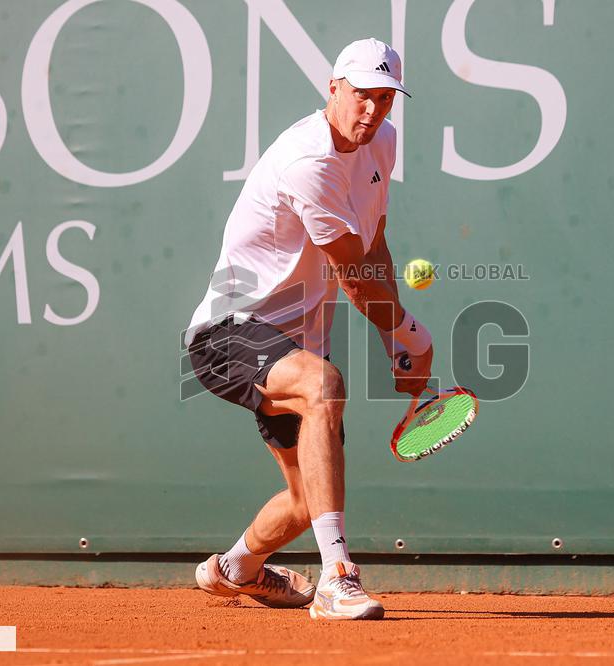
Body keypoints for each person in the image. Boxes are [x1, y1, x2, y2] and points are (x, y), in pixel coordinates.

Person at [184, 38, 433, 621]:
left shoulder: (382, 145)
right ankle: (336, 578)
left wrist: (396, 336)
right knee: (324, 387)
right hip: (228, 329)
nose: (372, 111)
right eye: (362, 96)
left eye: (386, 98)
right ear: (334, 89)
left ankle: (235, 569)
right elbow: (351, 276)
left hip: (294, 343)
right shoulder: (309, 161)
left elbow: (374, 246)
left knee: (304, 501)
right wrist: (412, 334)